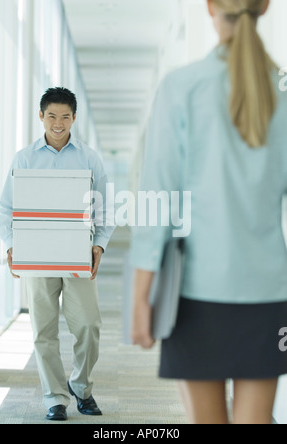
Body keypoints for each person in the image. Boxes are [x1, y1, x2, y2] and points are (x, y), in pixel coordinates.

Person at [130, 0, 287, 425]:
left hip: (196, 296)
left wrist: (141, 294)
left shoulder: (182, 87)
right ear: (265, 7)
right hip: (269, 292)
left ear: (211, 8)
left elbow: (158, 200)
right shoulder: (284, 89)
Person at [0, 87, 114, 421]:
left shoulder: (89, 158)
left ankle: (80, 386)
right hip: (37, 255)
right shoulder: (24, 158)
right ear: (41, 117)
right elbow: (6, 209)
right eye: (52, 116)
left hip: (77, 255)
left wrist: (100, 245)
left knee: (89, 326)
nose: (58, 123)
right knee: (43, 329)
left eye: (65, 116)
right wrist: (10, 245)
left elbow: (105, 210)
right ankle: (54, 398)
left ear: (74, 117)